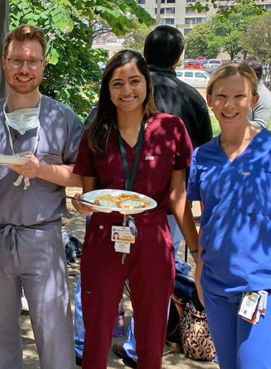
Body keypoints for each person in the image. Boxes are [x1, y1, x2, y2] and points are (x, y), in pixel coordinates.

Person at [0, 24, 84, 369]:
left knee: (54, 327)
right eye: (16, 61)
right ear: (4, 62)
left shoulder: (63, 119)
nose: (24, 69)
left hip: (42, 237)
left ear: (44, 65)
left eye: (32, 61)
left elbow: (83, 177)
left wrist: (41, 170)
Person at [71, 50, 200, 369]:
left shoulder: (171, 129)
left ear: (147, 84)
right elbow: (89, 195)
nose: (126, 90)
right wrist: (82, 204)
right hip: (103, 238)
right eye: (117, 83)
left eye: (134, 81)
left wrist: (198, 252)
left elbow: (178, 196)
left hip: (154, 239)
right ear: (107, 89)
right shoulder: (96, 133)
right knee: (98, 330)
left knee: (151, 333)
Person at [187, 62, 271, 369]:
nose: (229, 105)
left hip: (267, 286)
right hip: (216, 286)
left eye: (239, 96)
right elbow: (209, 218)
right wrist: (199, 268)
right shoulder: (202, 156)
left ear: (253, 99)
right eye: (221, 96)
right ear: (209, 98)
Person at [111, 24, 213, 367]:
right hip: (164, 211)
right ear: (179, 55)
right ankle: (138, 348)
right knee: (154, 286)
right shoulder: (191, 99)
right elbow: (201, 157)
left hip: (120, 208)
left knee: (112, 283)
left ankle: (89, 342)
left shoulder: (126, 88)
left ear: (145, 50)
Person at [244, 56, 271, 129]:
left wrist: (236, 122)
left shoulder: (264, 96)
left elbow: (261, 125)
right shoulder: (245, 89)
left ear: (254, 75)